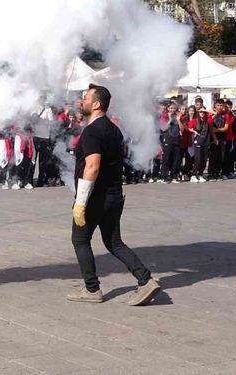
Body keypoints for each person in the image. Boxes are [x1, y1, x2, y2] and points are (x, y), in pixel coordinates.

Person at [68, 84, 159, 306]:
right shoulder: (113, 129)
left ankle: (92, 289)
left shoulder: (92, 131)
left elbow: (93, 166)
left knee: (80, 239)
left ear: (96, 104)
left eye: (86, 98)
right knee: (114, 242)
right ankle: (145, 280)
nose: (82, 101)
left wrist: (80, 202)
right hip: (114, 195)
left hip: (95, 197)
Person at [158, 102, 184, 183]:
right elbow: (163, 128)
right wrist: (169, 119)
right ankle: (164, 177)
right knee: (166, 159)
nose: (173, 110)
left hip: (176, 140)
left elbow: (182, 129)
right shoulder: (164, 116)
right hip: (167, 140)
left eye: (174, 108)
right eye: (171, 108)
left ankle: (174, 176)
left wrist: (178, 120)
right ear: (168, 108)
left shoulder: (177, 116)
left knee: (176, 159)